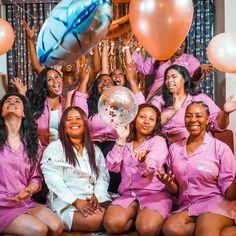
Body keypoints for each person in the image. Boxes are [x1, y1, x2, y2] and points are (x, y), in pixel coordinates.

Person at [158, 101, 236, 236]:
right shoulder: (174, 149)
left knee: (206, 232)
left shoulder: (220, 148)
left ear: (207, 120)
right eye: (188, 115)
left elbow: (230, 194)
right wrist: (169, 184)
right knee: (170, 229)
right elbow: (176, 190)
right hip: (188, 205)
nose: (193, 120)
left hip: (216, 203)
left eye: (199, 116)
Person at [73, 63, 145, 194]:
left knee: (112, 153)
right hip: (93, 143)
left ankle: (113, 192)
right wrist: (83, 81)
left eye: (109, 81)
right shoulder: (91, 106)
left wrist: (133, 81)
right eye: (100, 81)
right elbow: (78, 111)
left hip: (116, 142)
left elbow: (142, 109)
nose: (105, 82)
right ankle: (91, 193)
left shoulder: (124, 104)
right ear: (96, 87)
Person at [103, 104, 172, 235]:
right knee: (111, 225)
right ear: (134, 119)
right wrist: (121, 140)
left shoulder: (158, 141)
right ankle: (137, 217)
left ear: (155, 124)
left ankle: (145, 218)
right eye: (142, 117)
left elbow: (151, 169)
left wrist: (142, 161)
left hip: (154, 195)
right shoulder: (126, 142)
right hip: (128, 195)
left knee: (147, 229)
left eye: (151, 119)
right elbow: (112, 167)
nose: (146, 121)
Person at [0, 93, 63, 235]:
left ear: (23, 113)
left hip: (25, 202)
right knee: (39, 230)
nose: (12, 102)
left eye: (17, 101)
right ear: (2, 112)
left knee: (56, 226)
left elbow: (36, 178)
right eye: (7, 101)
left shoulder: (34, 144)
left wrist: (29, 190)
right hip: (2, 205)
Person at [41, 106, 111, 232]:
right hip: (66, 204)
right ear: (63, 126)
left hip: (91, 200)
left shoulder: (94, 149)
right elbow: (53, 179)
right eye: (69, 119)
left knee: (114, 215)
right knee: (98, 220)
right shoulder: (54, 147)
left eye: (78, 118)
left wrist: (98, 196)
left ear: (84, 123)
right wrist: (76, 201)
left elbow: (103, 175)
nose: (74, 122)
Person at [151, 64, 236, 144]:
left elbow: (218, 125)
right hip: (172, 144)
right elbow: (152, 124)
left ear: (184, 80)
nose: (169, 80)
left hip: (199, 143)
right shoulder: (159, 100)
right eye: (167, 78)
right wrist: (174, 110)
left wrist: (225, 112)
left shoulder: (201, 98)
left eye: (174, 77)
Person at [125, 36, 214, 101]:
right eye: (177, 40)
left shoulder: (190, 60)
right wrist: (132, 48)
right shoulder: (159, 58)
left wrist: (200, 69)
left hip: (179, 99)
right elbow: (143, 68)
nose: (181, 43)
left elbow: (194, 78)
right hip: (157, 98)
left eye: (183, 41)